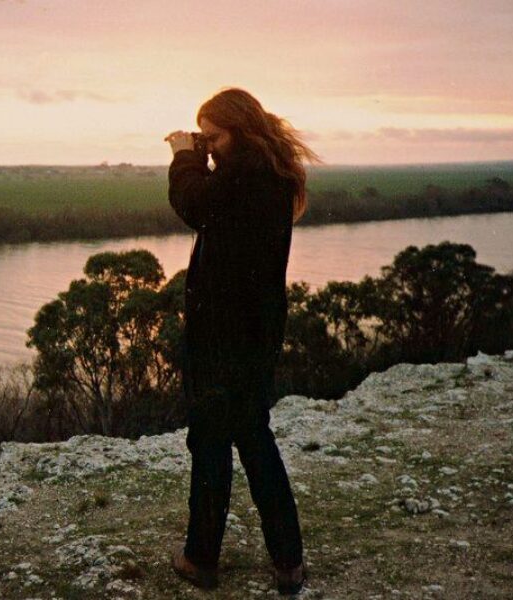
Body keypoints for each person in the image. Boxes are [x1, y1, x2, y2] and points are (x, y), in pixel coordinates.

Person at [163, 87, 321, 595]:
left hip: (220, 337)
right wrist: (206, 153)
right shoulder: (267, 172)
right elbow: (220, 206)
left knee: (210, 441)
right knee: (254, 437)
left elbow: (195, 203)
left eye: (214, 137)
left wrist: (183, 156)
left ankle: (200, 558)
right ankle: (288, 563)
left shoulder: (241, 178)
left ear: (239, 130)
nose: (208, 145)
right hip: (257, 334)